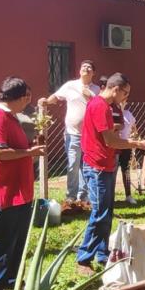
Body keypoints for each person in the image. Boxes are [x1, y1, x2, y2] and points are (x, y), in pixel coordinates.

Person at [0, 77, 45, 290]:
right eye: (26, 97)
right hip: (3, 191)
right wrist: (28, 153)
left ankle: (11, 281)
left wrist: (29, 148)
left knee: (17, 241)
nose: (28, 101)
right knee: (2, 241)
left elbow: (14, 148)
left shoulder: (11, 117)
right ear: (16, 97)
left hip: (18, 192)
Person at [76, 73, 145, 269]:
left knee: (107, 212)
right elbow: (110, 140)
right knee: (99, 213)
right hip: (97, 166)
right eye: (125, 93)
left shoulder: (107, 107)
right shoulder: (100, 106)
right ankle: (83, 258)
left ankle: (101, 253)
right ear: (115, 89)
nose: (125, 97)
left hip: (106, 164)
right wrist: (137, 143)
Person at [39, 60, 98, 202]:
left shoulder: (96, 89)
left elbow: (100, 105)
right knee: (73, 164)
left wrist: (89, 96)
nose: (86, 68)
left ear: (93, 73)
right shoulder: (71, 86)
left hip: (90, 135)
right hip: (73, 134)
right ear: (79, 71)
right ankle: (71, 196)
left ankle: (83, 197)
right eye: (84, 66)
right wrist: (45, 101)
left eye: (90, 67)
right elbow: (56, 96)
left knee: (86, 165)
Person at [112, 93, 138, 206]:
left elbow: (134, 129)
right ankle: (110, 195)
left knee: (126, 170)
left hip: (126, 145)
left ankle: (128, 195)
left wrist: (133, 135)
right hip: (115, 145)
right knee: (112, 171)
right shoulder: (112, 112)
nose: (122, 103)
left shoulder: (128, 114)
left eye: (124, 101)